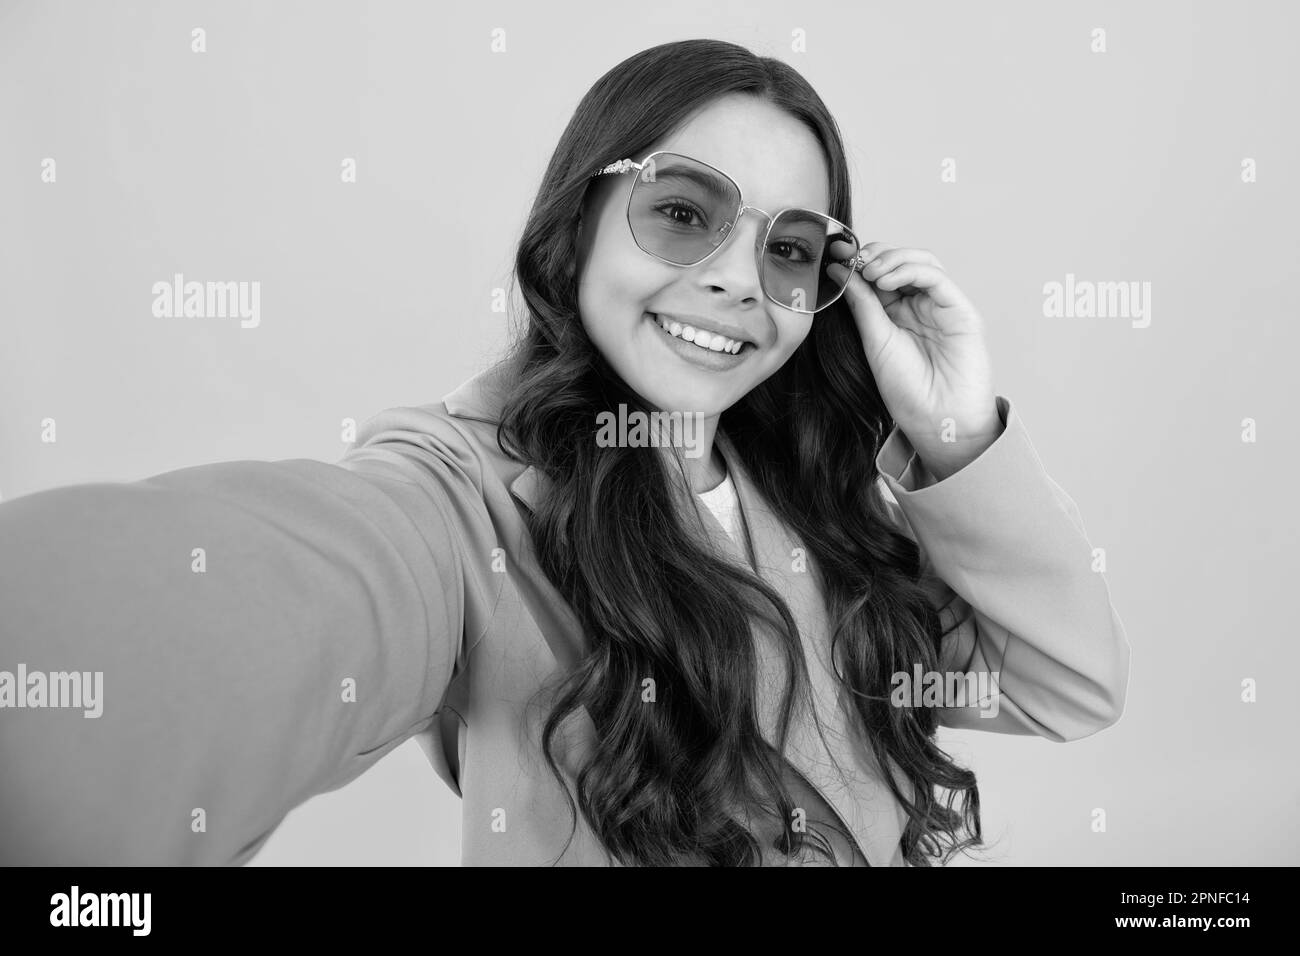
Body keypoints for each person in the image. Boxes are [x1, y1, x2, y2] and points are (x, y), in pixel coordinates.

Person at [0, 38, 1130, 867]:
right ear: (577, 218)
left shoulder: (813, 501)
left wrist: (952, 433)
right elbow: (284, 593)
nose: (741, 278)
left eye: (792, 248)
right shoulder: (464, 498)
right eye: (684, 212)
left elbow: (1067, 683)